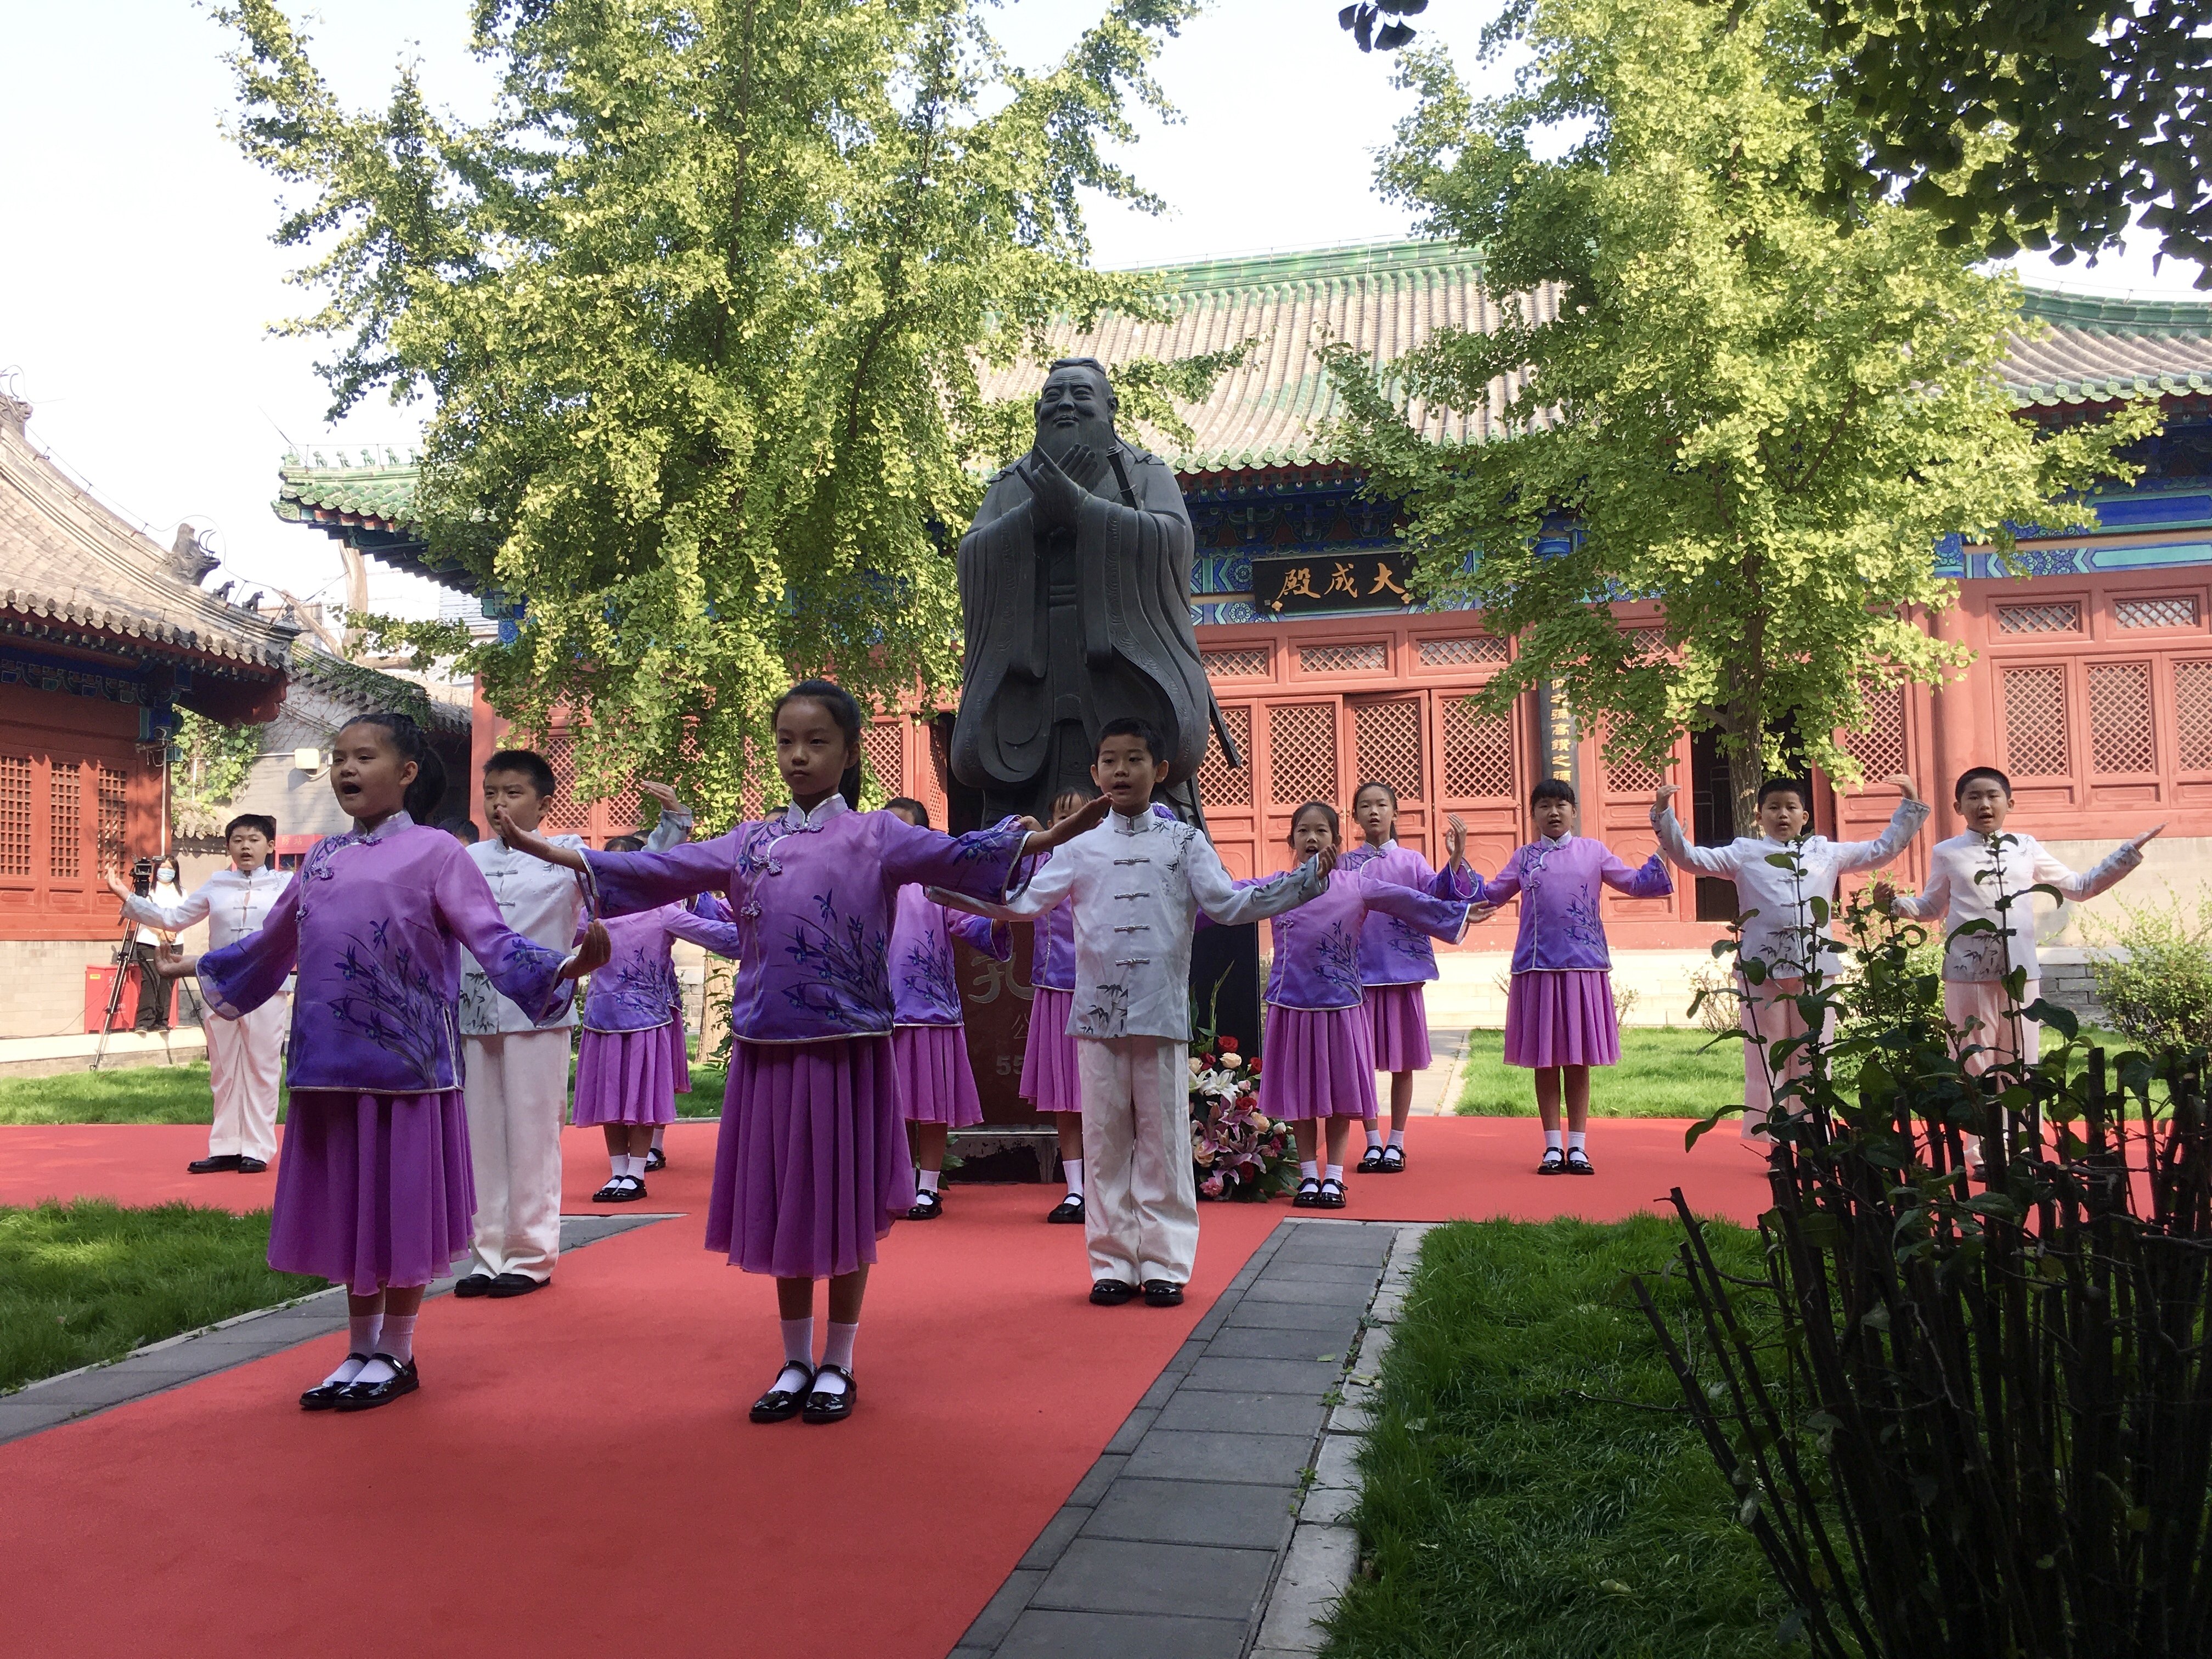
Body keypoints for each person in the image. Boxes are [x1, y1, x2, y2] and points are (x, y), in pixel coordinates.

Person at [491, 679, 1104, 1426]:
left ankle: (838, 1361)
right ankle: (792, 1360)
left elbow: (961, 855)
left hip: (849, 1051)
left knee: (844, 1206)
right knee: (785, 1204)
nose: (798, 756)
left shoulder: (877, 835)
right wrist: (549, 850)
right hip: (768, 1049)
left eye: (817, 742)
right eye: (786, 742)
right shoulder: (748, 841)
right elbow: (656, 872)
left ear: (849, 752)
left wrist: (1046, 839)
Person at [170, 710, 606, 1412]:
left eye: (364, 757)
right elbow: (273, 944)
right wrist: (199, 965)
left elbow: (491, 938)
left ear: (406, 773)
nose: (346, 769)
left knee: (399, 1210)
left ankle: (396, 1352)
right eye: (340, 757)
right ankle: (358, 1348)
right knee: (352, 1213)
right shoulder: (321, 859)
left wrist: (563, 967)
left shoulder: (438, 854)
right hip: (327, 1064)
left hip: (408, 1069)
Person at [969, 717, 1334, 1308]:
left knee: (1164, 1141)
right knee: (1105, 1141)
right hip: (1097, 1018)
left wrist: (1305, 883)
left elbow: (1228, 904)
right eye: (1110, 760)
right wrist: (949, 881)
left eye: (1134, 759)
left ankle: (1165, 1263)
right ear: (1096, 773)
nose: (1121, 771)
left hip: (1160, 1013)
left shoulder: (1184, 842)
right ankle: (1113, 1263)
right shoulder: (1079, 847)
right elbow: (1025, 902)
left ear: (1159, 770)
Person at [456, 758, 692, 1300]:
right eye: (491, 793)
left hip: (540, 1014)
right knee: (480, 1141)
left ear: (543, 804)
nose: (499, 804)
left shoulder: (565, 855)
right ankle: (485, 1255)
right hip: (475, 1012)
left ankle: (530, 1255)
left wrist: (674, 823)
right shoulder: (466, 860)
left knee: (532, 1135)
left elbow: (636, 872)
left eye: (513, 793)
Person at [1875, 766, 2160, 1170]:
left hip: (2021, 974)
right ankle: (1980, 1154)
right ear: (1958, 807)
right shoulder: (1947, 852)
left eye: (1993, 796)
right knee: (1973, 1061)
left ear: (2010, 803)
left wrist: (2127, 853)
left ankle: (2023, 1151)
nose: (1984, 804)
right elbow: (1931, 908)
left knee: (2022, 1061)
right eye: (1974, 797)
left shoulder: (2025, 847)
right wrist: (1894, 904)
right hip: (1966, 974)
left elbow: (2080, 886)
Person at [1652, 771, 1926, 1145]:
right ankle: (1775, 1142)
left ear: (1804, 816)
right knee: (1766, 1057)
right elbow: (1690, 858)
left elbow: (1881, 850)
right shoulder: (1744, 853)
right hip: (1760, 971)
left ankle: (1814, 1138)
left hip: (1816, 969)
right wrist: (1663, 813)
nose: (1782, 815)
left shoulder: (1826, 853)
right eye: (1774, 808)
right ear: (1759, 815)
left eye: (1791, 807)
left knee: (1814, 1055)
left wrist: (1910, 804)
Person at [1257, 802, 1485, 1211]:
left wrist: (1460, 910)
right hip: (1291, 1005)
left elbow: (1410, 901)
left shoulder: (1357, 885)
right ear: (1292, 840)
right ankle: (1308, 1175)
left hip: (1342, 1005)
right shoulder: (1277, 886)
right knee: (1300, 1096)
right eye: (1304, 831)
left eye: (1322, 832)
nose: (1312, 839)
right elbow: (1227, 897)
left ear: (1336, 841)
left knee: (1340, 1093)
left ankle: (1334, 1177)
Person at [1482, 779, 1673, 1174]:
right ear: (1533, 815)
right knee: (1545, 1061)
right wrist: (1456, 864)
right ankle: (1553, 1147)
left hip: (1584, 966)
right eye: (1544, 806)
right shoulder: (1524, 857)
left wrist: (1664, 836)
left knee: (1578, 1060)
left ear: (1574, 812)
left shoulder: (1593, 852)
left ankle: (1579, 1147)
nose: (1553, 812)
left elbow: (1638, 883)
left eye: (1561, 805)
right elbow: (1489, 895)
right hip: (1536, 967)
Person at [108, 816, 292, 1174]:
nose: (245, 846)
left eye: (254, 839)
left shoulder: (286, 884)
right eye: (237, 840)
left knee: (262, 1066)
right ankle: (226, 1147)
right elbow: (174, 918)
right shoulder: (218, 883)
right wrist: (128, 897)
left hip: (266, 985)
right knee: (224, 1067)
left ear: (270, 846)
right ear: (229, 847)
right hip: (219, 985)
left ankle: (257, 1148)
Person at [573, 833, 743, 1203]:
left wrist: (767, 929)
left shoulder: (663, 911)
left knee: (640, 1101)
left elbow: (718, 936)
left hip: (647, 1023)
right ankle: (617, 1172)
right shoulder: (593, 914)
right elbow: (552, 940)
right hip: (601, 1022)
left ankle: (636, 1174)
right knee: (610, 1101)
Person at [878, 798, 1011, 1221]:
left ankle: (928, 1188)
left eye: (905, 830)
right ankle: (897, 1184)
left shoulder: (937, 884)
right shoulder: (867, 881)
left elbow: (967, 921)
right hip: (879, 1011)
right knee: (893, 1106)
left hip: (930, 1009)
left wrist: (999, 919)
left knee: (930, 1106)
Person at [1342, 781, 1480, 1173]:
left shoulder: (1412, 861)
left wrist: (1456, 858)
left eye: (1381, 805)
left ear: (1395, 813)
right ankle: (1372, 1141)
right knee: (1360, 1062)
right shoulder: (1344, 864)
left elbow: (1436, 898)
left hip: (1403, 973)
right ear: (1355, 817)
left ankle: (1397, 1142)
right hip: (1357, 976)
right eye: (1365, 806)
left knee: (1402, 1064)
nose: (1374, 812)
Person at [129, 855, 186, 1030]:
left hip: (174, 941)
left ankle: (162, 1022)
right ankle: (144, 1022)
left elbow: (185, 915)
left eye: (170, 868)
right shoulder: (148, 890)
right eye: (163, 868)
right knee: (151, 979)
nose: (166, 871)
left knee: (167, 982)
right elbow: (143, 914)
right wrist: (161, 932)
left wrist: (172, 932)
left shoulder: (182, 892)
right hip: (149, 940)